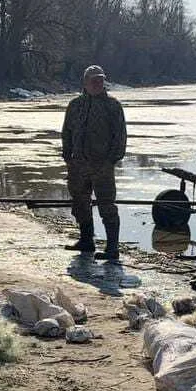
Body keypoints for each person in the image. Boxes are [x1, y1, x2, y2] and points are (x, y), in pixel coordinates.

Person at [61, 64, 127, 261]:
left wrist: (113, 159)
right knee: (80, 202)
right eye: (94, 80)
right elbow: (67, 132)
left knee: (107, 205)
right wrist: (68, 156)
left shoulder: (112, 105)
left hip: (102, 165)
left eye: (100, 80)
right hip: (78, 165)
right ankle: (86, 240)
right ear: (85, 83)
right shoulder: (75, 105)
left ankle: (112, 247)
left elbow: (120, 135)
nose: (98, 83)